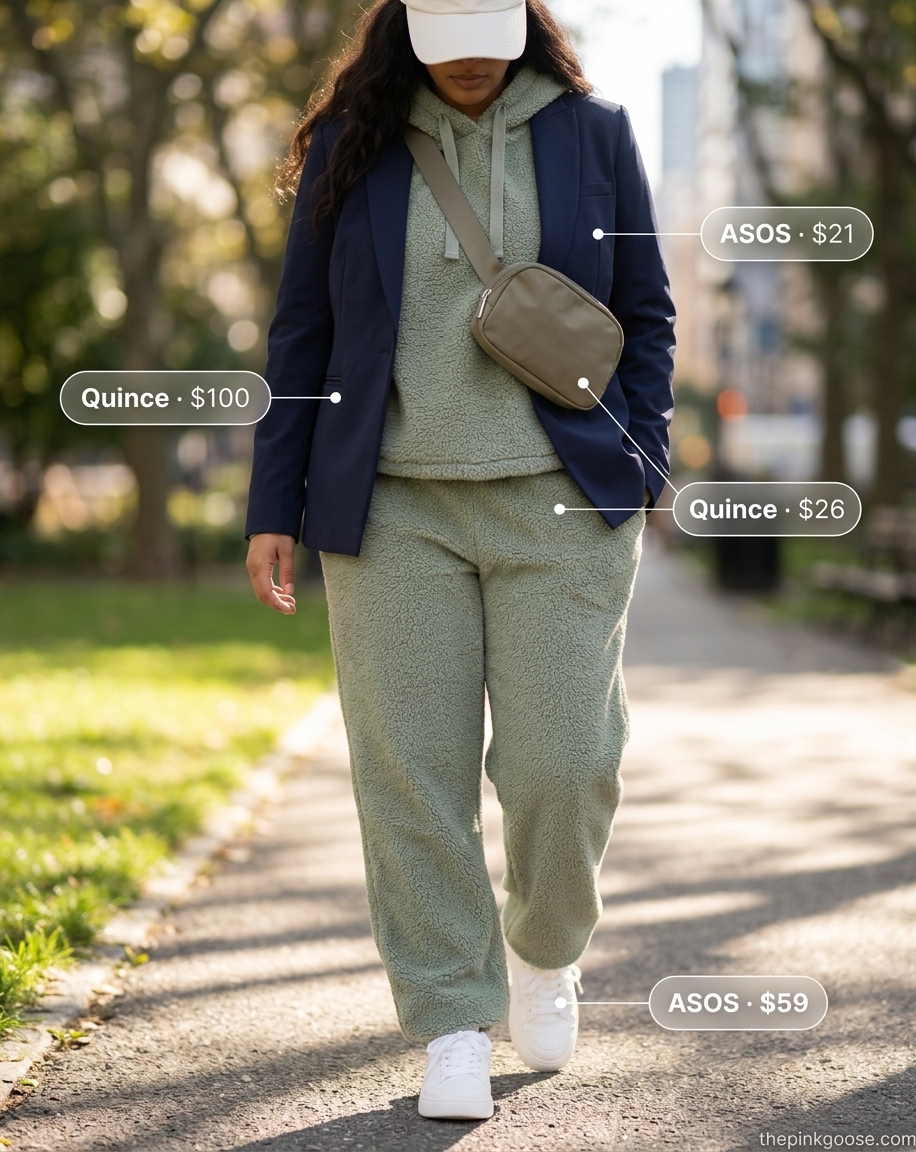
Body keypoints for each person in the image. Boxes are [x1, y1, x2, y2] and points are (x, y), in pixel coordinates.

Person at [245, 0, 674, 1122]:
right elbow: (302, 331)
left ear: (522, 21)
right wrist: (271, 498)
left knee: (563, 766)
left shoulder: (594, 134)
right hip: (390, 511)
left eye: (488, 35)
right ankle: (448, 1022)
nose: (472, 62)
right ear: (410, 30)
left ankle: (544, 951)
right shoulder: (355, 140)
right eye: (448, 42)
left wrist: (641, 460)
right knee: (411, 780)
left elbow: (646, 313)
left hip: (561, 505)